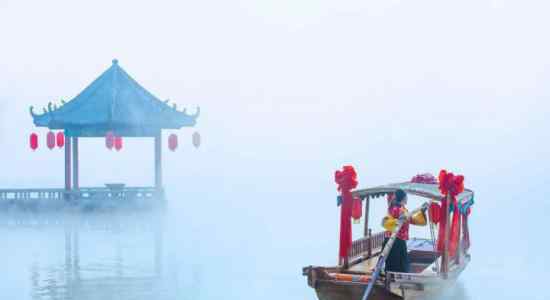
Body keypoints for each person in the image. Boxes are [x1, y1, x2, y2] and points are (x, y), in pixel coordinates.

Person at [381, 189, 426, 273]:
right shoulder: (397, 209)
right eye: (406, 197)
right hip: (395, 242)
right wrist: (398, 221)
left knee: (394, 265)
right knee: (398, 266)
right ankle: (393, 282)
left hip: (395, 241)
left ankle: (390, 281)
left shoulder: (401, 209)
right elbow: (385, 222)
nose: (407, 198)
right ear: (404, 198)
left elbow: (411, 220)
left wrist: (422, 211)